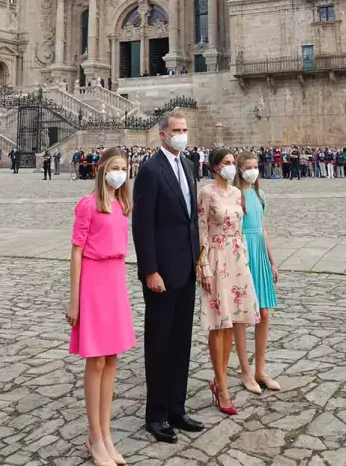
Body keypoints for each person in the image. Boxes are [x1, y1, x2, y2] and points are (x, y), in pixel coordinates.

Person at [132, 111, 203, 444]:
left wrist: (198, 257)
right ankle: (156, 413)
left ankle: (177, 406)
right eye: (176, 130)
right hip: (161, 272)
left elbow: (192, 221)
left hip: (186, 268)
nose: (182, 135)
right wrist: (149, 269)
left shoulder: (188, 165)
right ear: (162, 135)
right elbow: (142, 226)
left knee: (181, 342)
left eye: (185, 130)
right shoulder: (149, 171)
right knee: (159, 344)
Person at [66, 147, 136, 466]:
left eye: (124, 168)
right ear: (103, 170)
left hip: (115, 280)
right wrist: (74, 299)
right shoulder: (88, 205)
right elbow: (77, 251)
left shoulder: (123, 205)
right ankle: (94, 436)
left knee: (112, 359)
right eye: (115, 167)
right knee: (95, 362)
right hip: (93, 280)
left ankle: (107, 434)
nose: (120, 173)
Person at [197, 148, 259, 416]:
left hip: (237, 257)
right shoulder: (206, 192)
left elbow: (239, 227)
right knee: (218, 324)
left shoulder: (237, 193)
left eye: (234, 163)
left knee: (233, 322)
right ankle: (221, 386)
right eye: (227, 163)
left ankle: (220, 378)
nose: (232, 167)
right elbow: (201, 231)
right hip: (216, 257)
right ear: (214, 166)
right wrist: (204, 268)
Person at [233, 152, 280, 395]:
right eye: (248, 167)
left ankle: (260, 369)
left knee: (263, 313)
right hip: (242, 254)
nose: (252, 170)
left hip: (259, 254)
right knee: (242, 316)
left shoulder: (260, 195)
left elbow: (262, 228)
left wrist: (272, 260)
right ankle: (245, 371)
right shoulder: (235, 196)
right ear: (239, 169)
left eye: (255, 166)